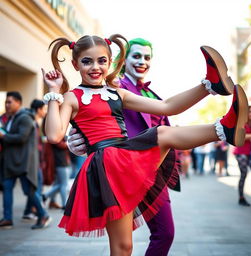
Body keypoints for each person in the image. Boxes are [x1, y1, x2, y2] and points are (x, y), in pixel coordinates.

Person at [42, 34, 248, 256]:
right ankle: (222, 128)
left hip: (124, 158)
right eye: (87, 61)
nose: (95, 67)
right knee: (123, 247)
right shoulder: (73, 97)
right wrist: (54, 92)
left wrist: (205, 88)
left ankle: (219, 113)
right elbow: (54, 134)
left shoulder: (117, 93)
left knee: (162, 133)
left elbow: (167, 107)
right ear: (75, 64)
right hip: (106, 168)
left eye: (102, 60)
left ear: (110, 61)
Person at [68, 37, 180, 256]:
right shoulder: (114, 86)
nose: (142, 62)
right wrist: (72, 139)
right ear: (122, 60)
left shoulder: (150, 92)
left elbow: (168, 109)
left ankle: (221, 127)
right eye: (136, 56)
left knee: (162, 234)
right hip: (124, 167)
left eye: (147, 57)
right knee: (127, 244)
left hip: (153, 168)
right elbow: (88, 112)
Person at [0, 92, 51, 229]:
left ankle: (43, 214)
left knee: (29, 191)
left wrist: (3, 136)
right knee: (7, 188)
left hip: (23, 162)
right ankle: (7, 218)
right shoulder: (11, 118)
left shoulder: (25, 118)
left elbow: (21, 137)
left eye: (10, 102)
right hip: (10, 162)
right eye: (6, 102)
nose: (7, 105)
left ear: (18, 102)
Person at [22, 99, 47, 221]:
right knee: (35, 187)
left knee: (35, 186)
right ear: (38, 109)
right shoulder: (30, 121)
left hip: (37, 160)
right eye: (44, 109)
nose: (45, 112)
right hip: (32, 161)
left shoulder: (36, 121)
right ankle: (40, 213)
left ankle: (28, 211)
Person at [233, 105, 251, 206]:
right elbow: (241, 136)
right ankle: (241, 198)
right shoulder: (241, 123)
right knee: (244, 174)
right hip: (240, 152)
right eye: (249, 112)